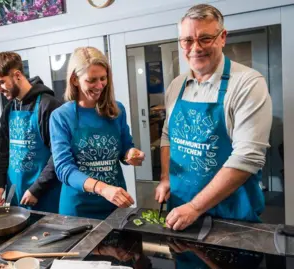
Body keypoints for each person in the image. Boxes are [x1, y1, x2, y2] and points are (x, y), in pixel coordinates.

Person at [155, 4, 272, 231]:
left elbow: (247, 158)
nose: (195, 48)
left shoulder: (247, 83)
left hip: (231, 214)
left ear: (222, 38)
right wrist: (165, 178)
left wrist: (196, 207)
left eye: (205, 38)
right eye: (187, 40)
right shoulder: (176, 85)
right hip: (180, 209)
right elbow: (168, 135)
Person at [50, 47, 145, 219]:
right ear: (75, 80)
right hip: (78, 207)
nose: (99, 86)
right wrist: (103, 188)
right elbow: (64, 168)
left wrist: (131, 154)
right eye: (92, 80)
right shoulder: (61, 116)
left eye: (103, 78)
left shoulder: (117, 110)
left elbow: (126, 149)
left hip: (115, 203)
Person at [0, 51, 62, 213]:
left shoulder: (48, 105)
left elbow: (58, 155)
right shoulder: (9, 109)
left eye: (1, 82)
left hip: (45, 192)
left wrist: (36, 189)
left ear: (17, 75)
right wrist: (0, 183)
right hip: (16, 192)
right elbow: (4, 151)